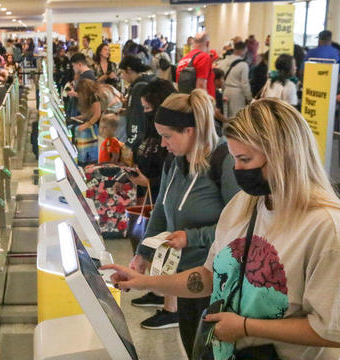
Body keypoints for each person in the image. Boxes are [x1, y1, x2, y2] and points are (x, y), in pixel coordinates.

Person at [103, 98, 340, 360]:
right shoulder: (244, 204)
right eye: (234, 158)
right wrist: (144, 282)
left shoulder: (325, 227)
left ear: (284, 155)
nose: (236, 169)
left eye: (244, 159)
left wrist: (245, 327)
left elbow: (331, 330)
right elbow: (209, 277)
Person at [126, 89, 240, 355]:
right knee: (192, 348)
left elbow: (238, 229)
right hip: (183, 280)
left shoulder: (224, 162)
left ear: (190, 130)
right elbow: (161, 211)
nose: (163, 144)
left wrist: (192, 237)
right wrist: (143, 253)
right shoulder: (174, 162)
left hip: (217, 282)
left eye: (167, 136)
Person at [128, 79, 175, 201]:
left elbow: (174, 176)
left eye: (147, 108)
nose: (144, 112)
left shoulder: (174, 135)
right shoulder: (150, 129)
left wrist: (149, 182)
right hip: (150, 199)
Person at [120, 55, 155, 149]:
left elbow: (137, 117)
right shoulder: (147, 82)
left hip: (140, 142)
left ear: (129, 70)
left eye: (122, 73)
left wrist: (130, 145)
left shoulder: (139, 88)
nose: (122, 77)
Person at [218, 41, 252, 118]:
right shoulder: (243, 65)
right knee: (236, 117)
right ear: (242, 50)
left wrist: (223, 89)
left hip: (225, 90)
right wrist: (249, 98)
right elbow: (245, 83)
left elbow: (221, 78)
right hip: (237, 94)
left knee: (225, 115)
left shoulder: (224, 61)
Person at [176, 32, 215, 97]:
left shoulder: (184, 59)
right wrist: (208, 105)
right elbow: (201, 86)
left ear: (193, 42)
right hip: (198, 103)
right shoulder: (204, 57)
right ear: (207, 43)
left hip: (185, 99)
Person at [213, 68, 227, 133]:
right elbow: (216, 113)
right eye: (222, 79)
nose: (223, 81)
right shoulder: (217, 93)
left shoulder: (211, 92)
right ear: (216, 80)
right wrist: (226, 120)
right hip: (216, 125)